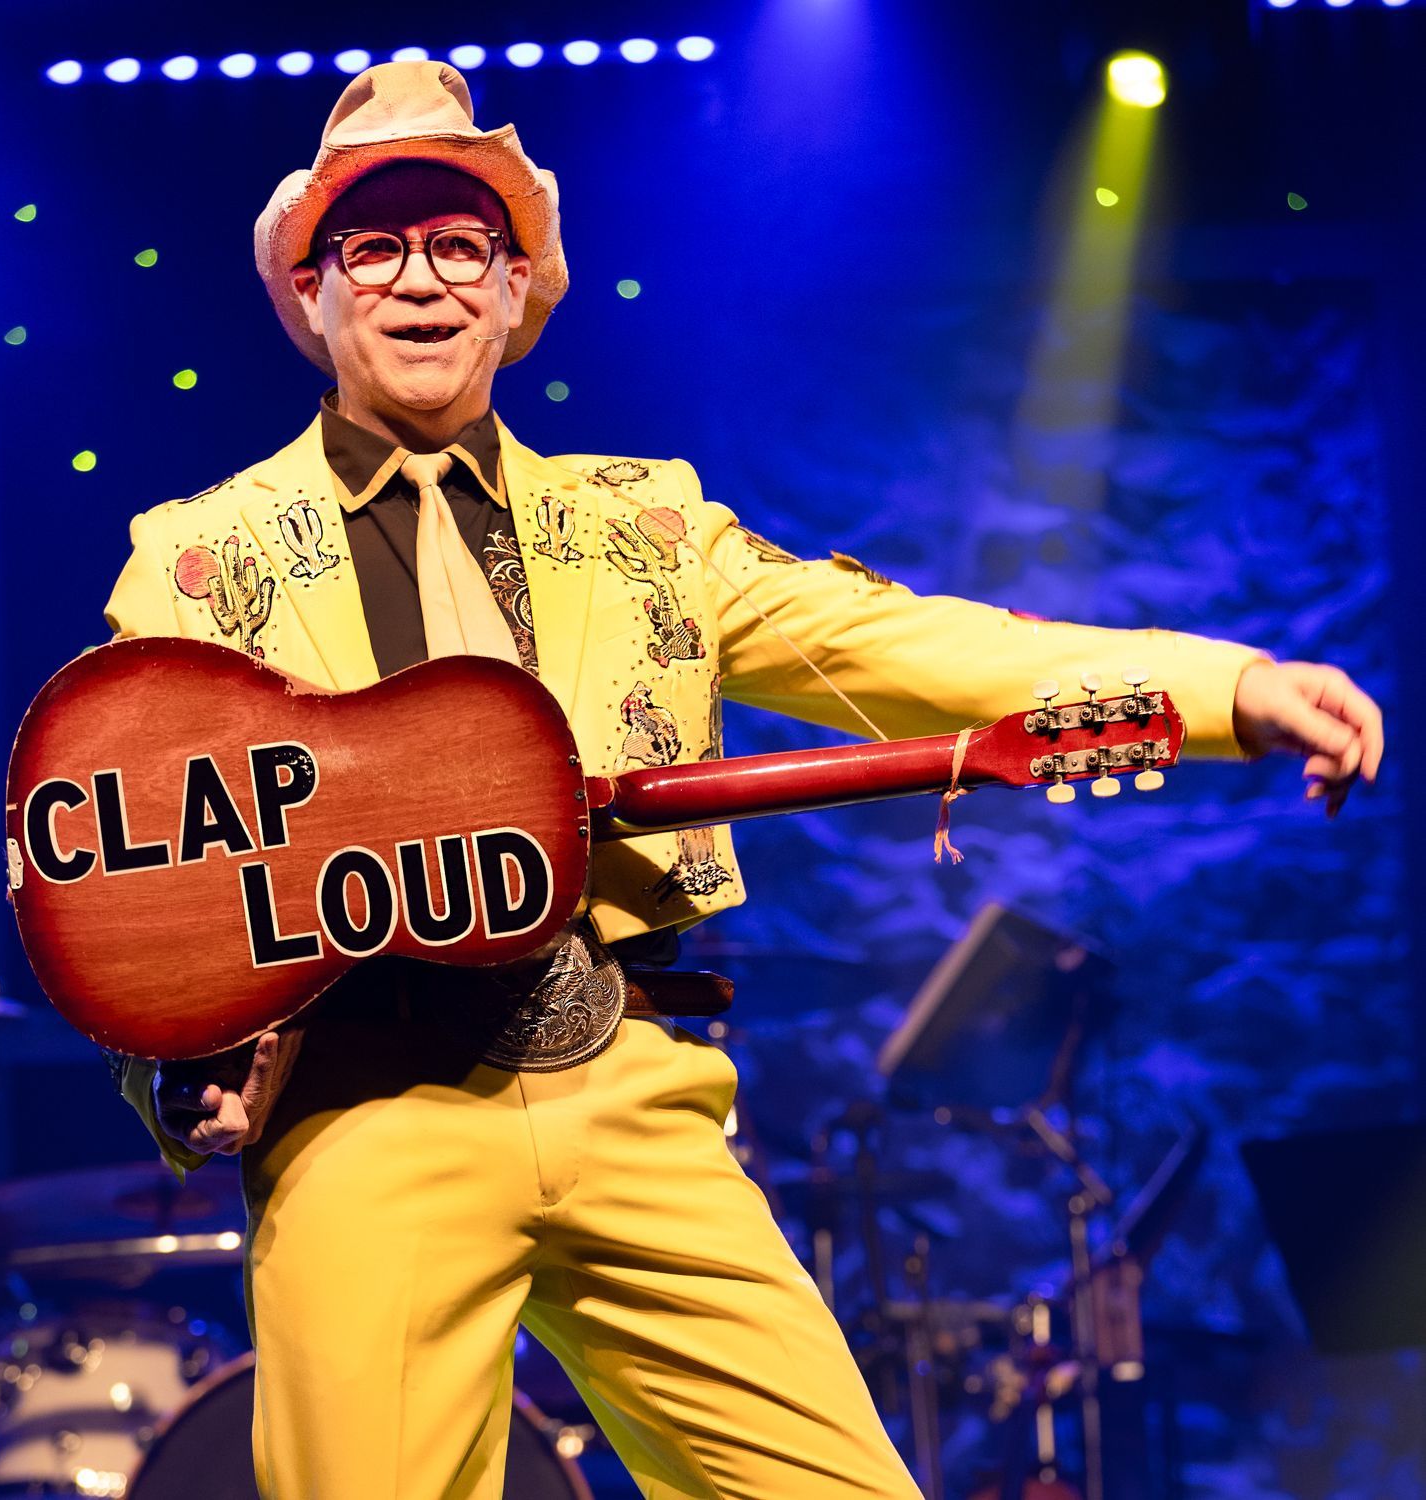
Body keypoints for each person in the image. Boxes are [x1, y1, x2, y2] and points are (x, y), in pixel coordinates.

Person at [102, 61, 1384, 1499]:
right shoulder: (198, 557)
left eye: (464, 243)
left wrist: (1220, 687)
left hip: (627, 1084)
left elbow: (901, 642)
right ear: (311, 292)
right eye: (375, 242)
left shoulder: (650, 525)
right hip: (368, 1110)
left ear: (519, 291)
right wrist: (185, 1058)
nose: (423, 279)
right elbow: (135, 861)